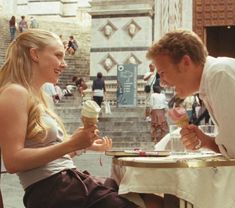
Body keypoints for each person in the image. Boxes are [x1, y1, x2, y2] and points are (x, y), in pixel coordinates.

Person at [0, 29, 150, 208]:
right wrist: (71, 144)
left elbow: (49, 153)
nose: (64, 64)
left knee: (150, 197)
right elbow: (13, 161)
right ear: (34, 54)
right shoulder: (14, 93)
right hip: (54, 190)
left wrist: (81, 146)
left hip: (65, 183)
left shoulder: (40, 96)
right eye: (58, 55)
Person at [146, 29, 235, 158]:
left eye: (163, 73)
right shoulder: (211, 79)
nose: (162, 83)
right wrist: (204, 140)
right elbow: (231, 149)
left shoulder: (219, 75)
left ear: (185, 63)